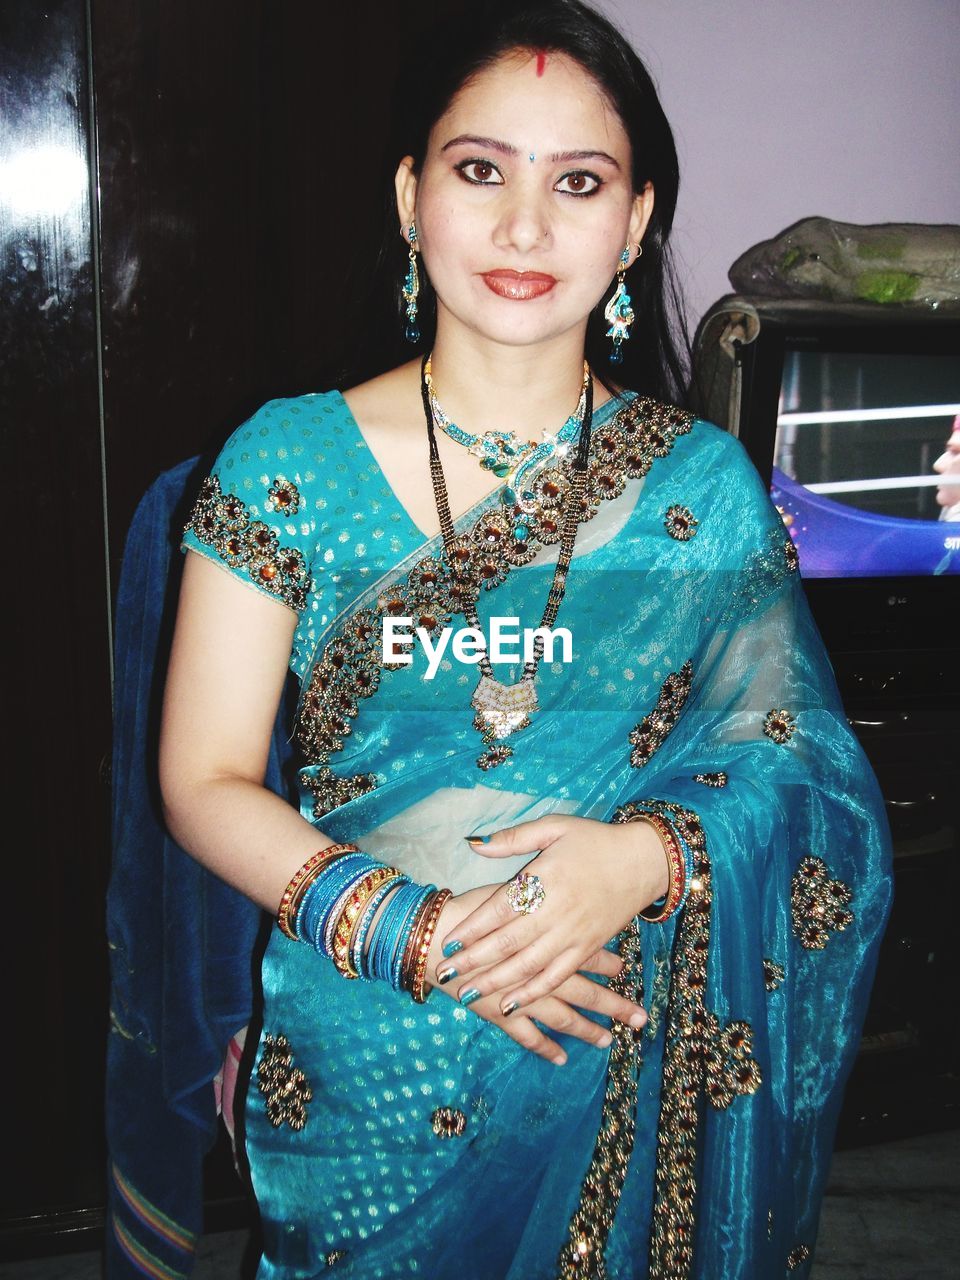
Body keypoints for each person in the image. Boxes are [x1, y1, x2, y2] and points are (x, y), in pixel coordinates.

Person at [159, 3, 892, 1276]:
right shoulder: (287, 459)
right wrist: (418, 932)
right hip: (371, 1050)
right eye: (480, 169)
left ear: (638, 218)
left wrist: (647, 860)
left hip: (616, 1036)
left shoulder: (700, 488)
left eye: (581, 182)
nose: (525, 225)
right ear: (409, 193)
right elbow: (203, 775)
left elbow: (801, 757)